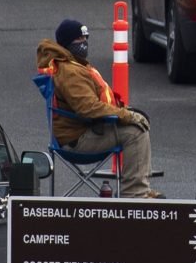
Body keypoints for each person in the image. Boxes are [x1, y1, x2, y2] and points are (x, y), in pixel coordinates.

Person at [36, 17, 155, 196]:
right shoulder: (70, 71)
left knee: (136, 123)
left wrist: (124, 111)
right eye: (79, 39)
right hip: (76, 140)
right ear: (67, 42)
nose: (84, 43)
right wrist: (125, 115)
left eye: (86, 38)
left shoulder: (72, 64)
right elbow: (88, 107)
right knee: (135, 132)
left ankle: (139, 190)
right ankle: (135, 194)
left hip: (81, 130)